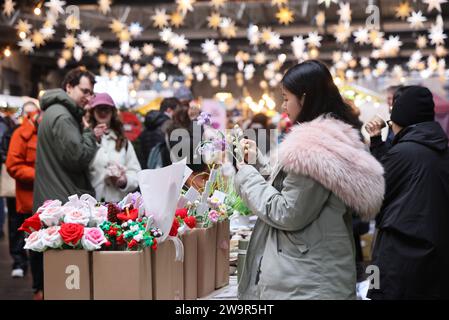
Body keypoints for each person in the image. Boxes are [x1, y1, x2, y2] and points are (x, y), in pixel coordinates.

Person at [233, 60, 385, 299]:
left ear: (304, 98)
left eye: (286, 98)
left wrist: (245, 175)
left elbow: (287, 212)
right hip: (316, 273)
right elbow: (295, 188)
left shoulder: (312, 148)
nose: (284, 107)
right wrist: (259, 164)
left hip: (306, 281)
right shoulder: (331, 138)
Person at [368, 86, 449, 300]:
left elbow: (373, 196)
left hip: (396, 262)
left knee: (380, 292)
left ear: (398, 119)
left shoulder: (403, 153)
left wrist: (375, 142)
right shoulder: (442, 149)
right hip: (436, 261)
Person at [33, 67, 105, 213]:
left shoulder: (58, 111)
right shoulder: (64, 117)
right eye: (84, 91)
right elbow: (77, 158)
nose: (89, 98)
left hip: (55, 197)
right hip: (61, 201)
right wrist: (89, 136)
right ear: (69, 87)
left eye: (91, 93)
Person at [5, 102, 43, 299]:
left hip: (51, 201)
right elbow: (13, 165)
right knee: (35, 246)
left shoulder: (48, 133)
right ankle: (38, 288)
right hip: (29, 201)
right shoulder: (21, 134)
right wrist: (39, 175)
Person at [87, 93, 141, 203]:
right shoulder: (86, 140)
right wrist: (92, 139)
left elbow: (136, 173)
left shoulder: (123, 142)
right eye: (99, 109)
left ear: (112, 112)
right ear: (93, 112)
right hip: (91, 205)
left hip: (118, 206)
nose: (103, 112)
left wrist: (124, 181)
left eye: (106, 109)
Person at [365, 85, 404, 161]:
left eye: (390, 98)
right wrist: (375, 138)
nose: (387, 102)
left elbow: (390, 153)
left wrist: (376, 140)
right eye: (387, 98)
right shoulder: (393, 122)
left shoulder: (401, 124)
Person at [137, 98, 177, 169]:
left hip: (146, 171)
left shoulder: (147, 126)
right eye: (176, 111)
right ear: (169, 110)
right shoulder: (169, 126)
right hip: (164, 170)